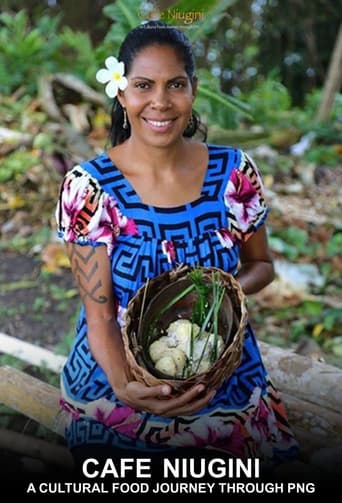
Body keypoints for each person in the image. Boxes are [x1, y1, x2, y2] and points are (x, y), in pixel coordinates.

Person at [56, 20, 298, 479]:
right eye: (144, 85)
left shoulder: (234, 173)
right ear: (122, 94)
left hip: (222, 376)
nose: (161, 101)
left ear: (194, 90)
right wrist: (128, 389)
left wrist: (212, 293)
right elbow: (100, 314)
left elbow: (261, 266)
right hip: (115, 379)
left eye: (176, 85)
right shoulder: (90, 189)